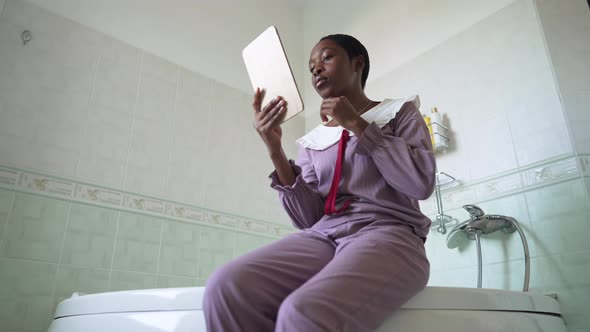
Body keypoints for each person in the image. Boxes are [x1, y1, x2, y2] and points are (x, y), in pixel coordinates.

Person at [203, 34, 436, 332]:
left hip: (389, 234)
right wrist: (275, 151)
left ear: (357, 63)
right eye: (311, 66)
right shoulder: (313, 142)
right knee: (226, 287)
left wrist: (357, 124)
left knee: (303, 314)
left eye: (326, 58)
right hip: (323, 238)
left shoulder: (399, 112)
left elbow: (420, 182)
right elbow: (309, 218)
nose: (316, 69)